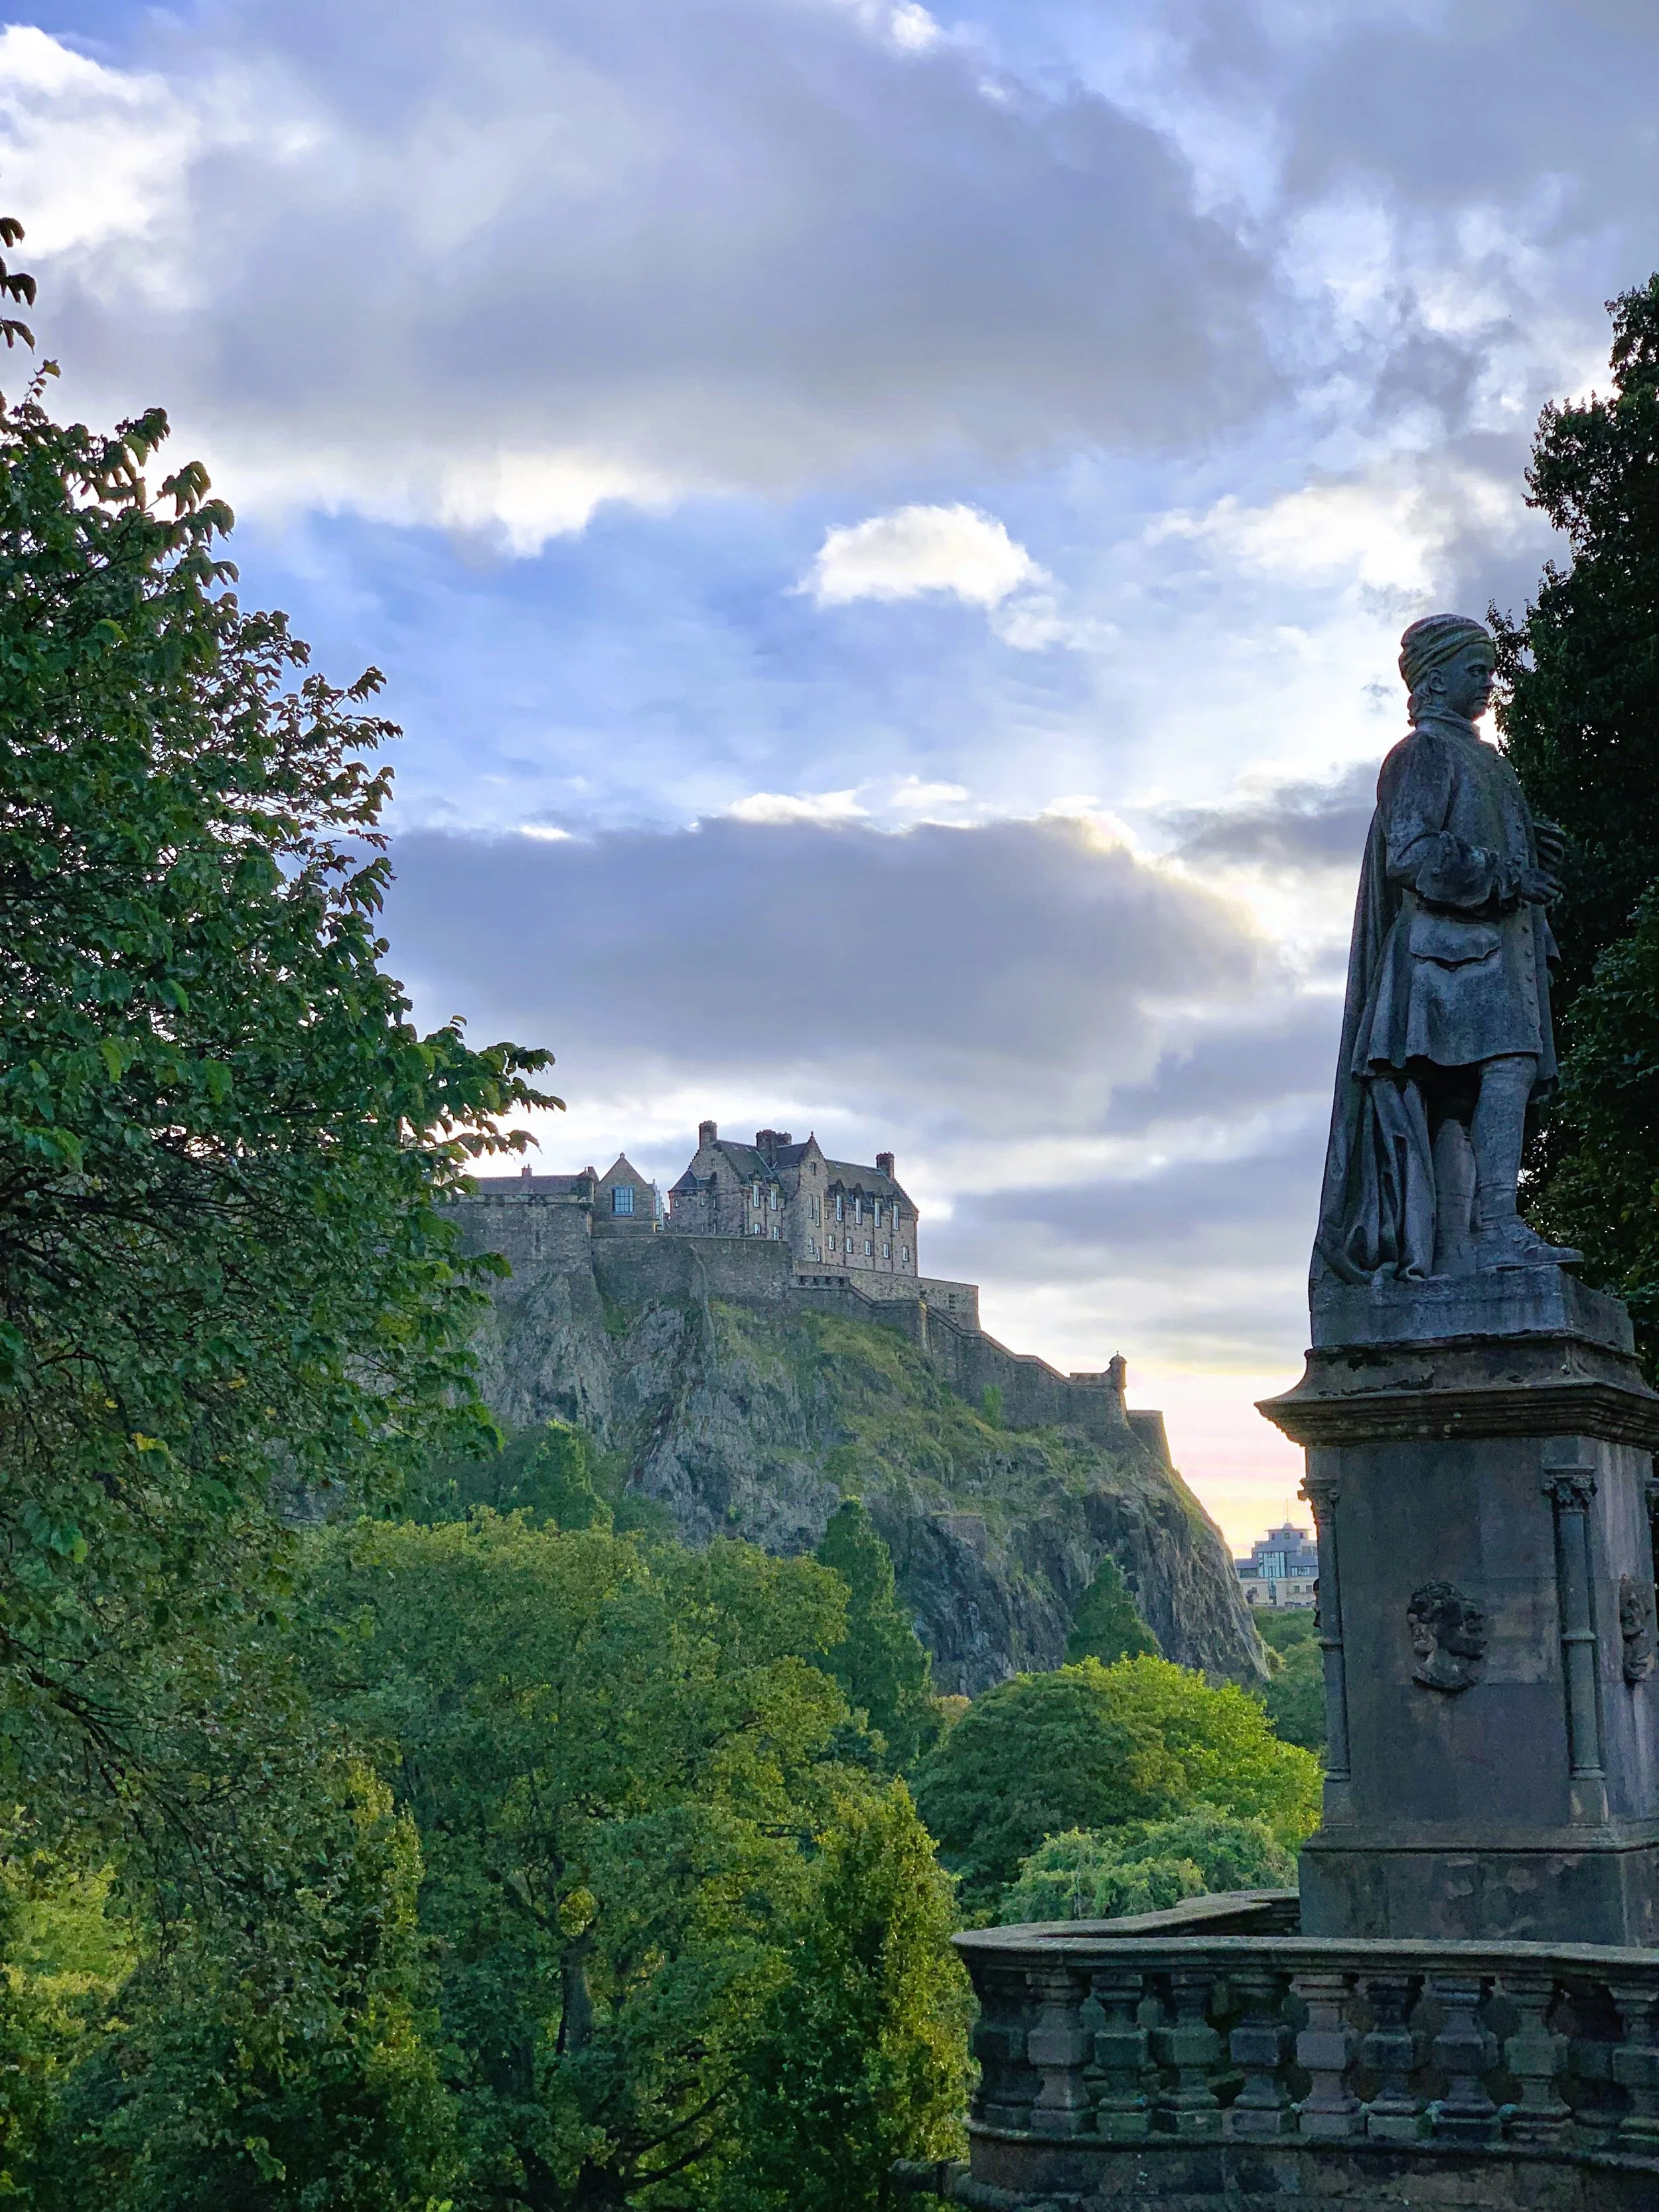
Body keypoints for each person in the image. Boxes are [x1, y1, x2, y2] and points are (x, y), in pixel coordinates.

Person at [1314, 613, 1581, 1284]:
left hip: (1489, 953)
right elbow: (1411, 854)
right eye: (1474, 669)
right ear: (1433, 680)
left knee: (1472, 1093)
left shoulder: (1484, 760)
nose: (1487, 681)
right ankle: (1492, 1227)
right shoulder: (1422, 754)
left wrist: (1530, 850)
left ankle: (1465, 1235)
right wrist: (1501, 874)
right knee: (1504, 1066)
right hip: (1449, 961)